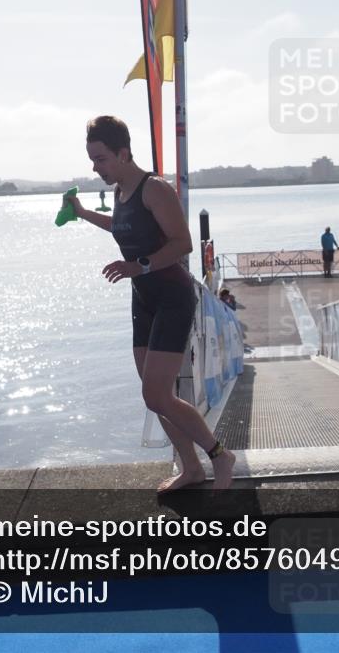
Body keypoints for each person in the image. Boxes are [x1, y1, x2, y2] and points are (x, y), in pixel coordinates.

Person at [66, 115, 235, 491]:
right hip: (143, 298)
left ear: (124, 153)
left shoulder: (155, 188)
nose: (95, 167)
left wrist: (137, 265)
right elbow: (121, 226)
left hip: (172, 296)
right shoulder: (120, 193)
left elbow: (182, 244)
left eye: (101, 159)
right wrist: (82, 213)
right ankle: (190, 468)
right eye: (92, 159)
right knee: (156, 396)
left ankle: (220, 454)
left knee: (156, 394)